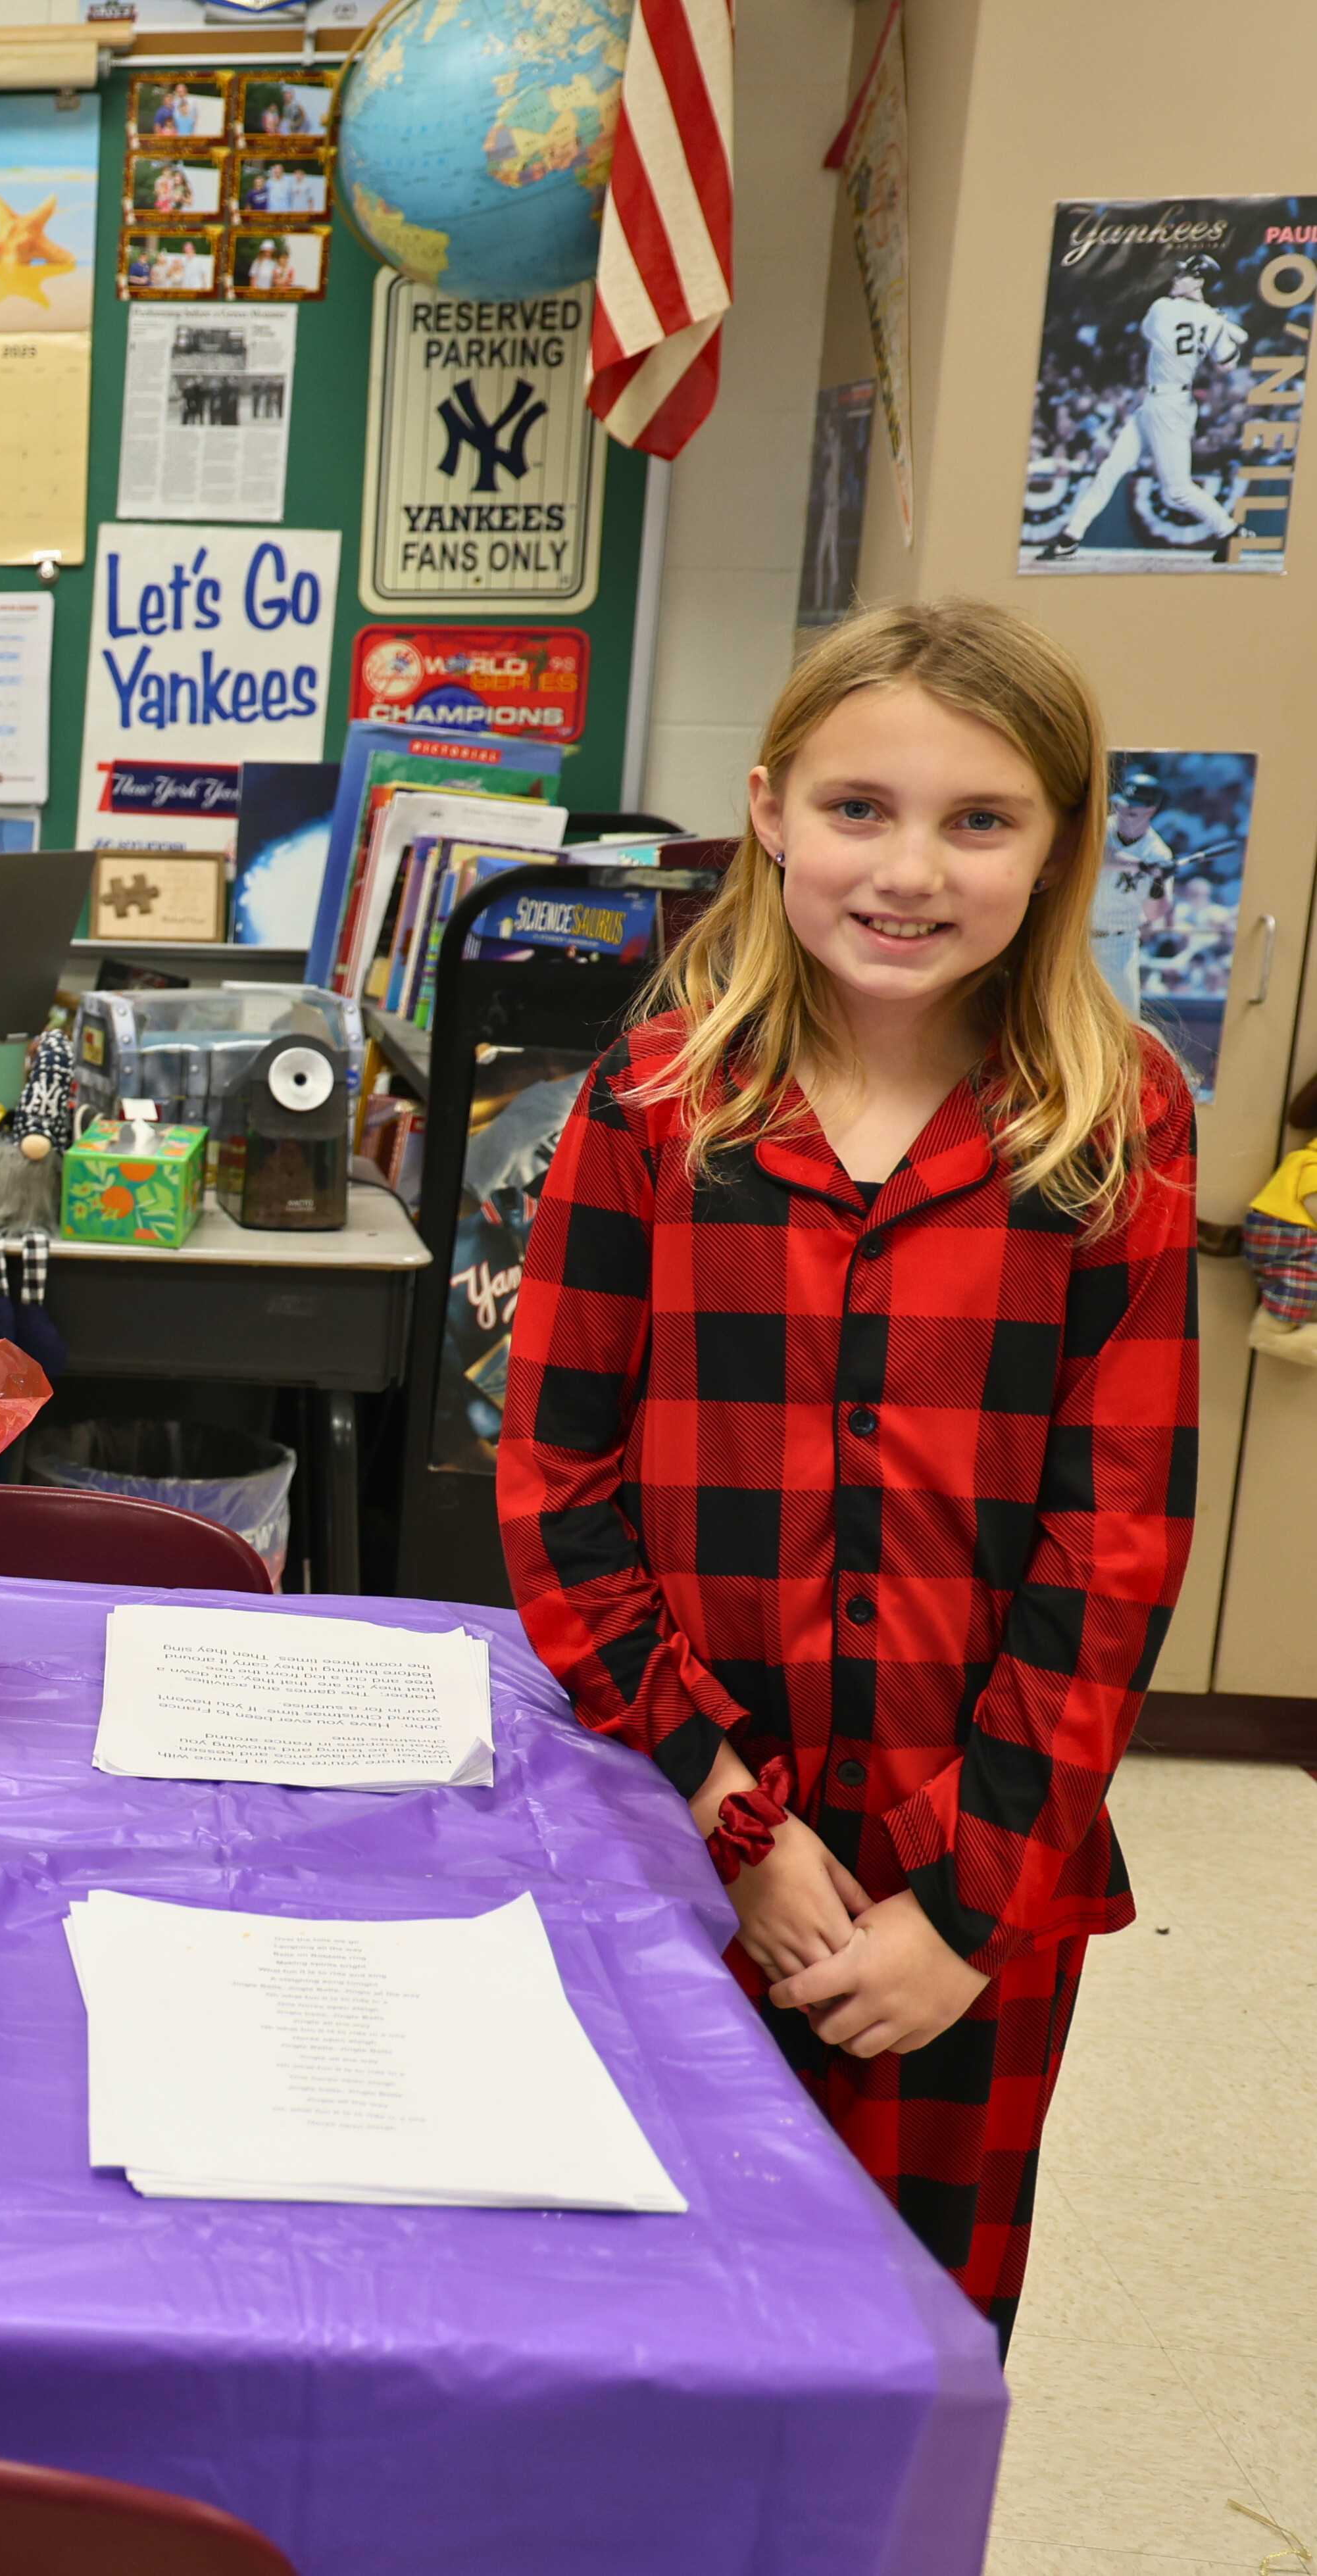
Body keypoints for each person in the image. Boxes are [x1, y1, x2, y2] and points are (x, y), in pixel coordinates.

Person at [497, 598, 1198, 2352]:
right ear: (768, 813)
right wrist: (738, 1818)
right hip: (681, 1844)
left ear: (1057, 847)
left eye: (980, 819)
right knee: (643, 2327)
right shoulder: (652, 1109)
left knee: (901, 2347)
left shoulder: (1118, 1126)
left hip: (981, 1878)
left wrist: (963, 1908)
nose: (910, 867)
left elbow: (1114, 1546)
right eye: (858, 808)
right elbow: (558, 1494)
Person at [1038, 250, 1247, 564]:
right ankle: (1071, 536)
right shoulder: (1209, 319)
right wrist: (1220, 327)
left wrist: (1211, 321)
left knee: (1177, 490)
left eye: (1185, 275)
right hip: (1160, 402)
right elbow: (1227, 365)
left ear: (1199, 281)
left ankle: (1229, 531)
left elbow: (1153, 331)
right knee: (1110, 470)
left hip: (1169, 405)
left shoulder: (1163, 308)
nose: (1176, 279)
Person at [1087, 760, 1180, 1011]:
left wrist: (1158, 881)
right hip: (1077, 938)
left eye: (1133, 811)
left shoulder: (1158, 852)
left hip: (1119, 944)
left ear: (1151, 811)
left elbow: (1154, 914)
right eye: (1122, 806)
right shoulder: (1100, 828)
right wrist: (1142, 866)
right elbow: (1100, 856)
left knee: (1127, 1021)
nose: (1124, 813)